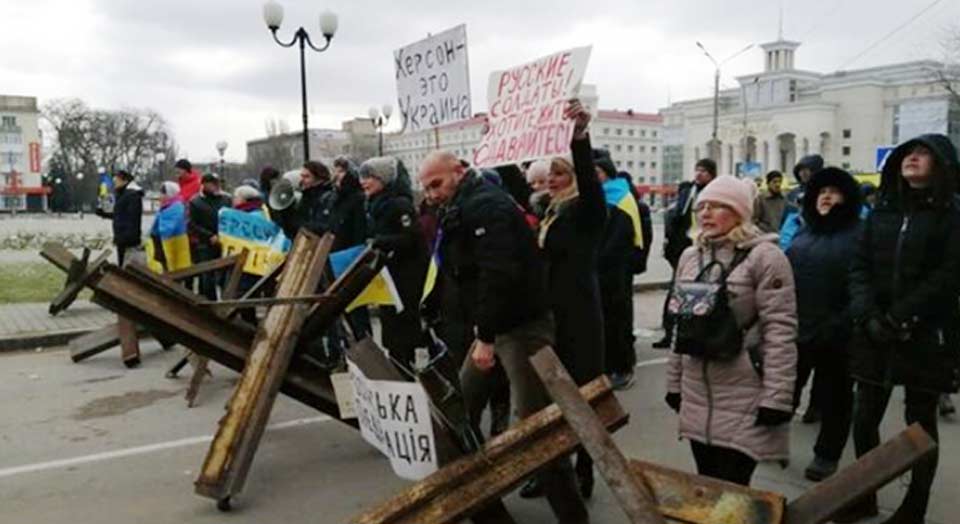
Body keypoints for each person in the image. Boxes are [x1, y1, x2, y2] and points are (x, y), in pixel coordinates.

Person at [419, 148, 591, 524]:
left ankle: (572, 515)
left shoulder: (486, 206)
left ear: (459, 172)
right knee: (459, 410)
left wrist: (484, 336)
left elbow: (499, 274)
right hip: (498, 325)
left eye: (436, 184)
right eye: (426, 187)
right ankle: (478, 496)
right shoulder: (460, 206)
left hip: (521, 328)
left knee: (535, 429)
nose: (431, 194)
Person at [838, 134, 960, 523]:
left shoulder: (952, 215)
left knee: (920, 422)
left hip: (925, 334)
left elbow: (948, 276)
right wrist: (868, 315)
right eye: (908, 153)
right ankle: (865, 495)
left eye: (923, 153)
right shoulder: (882, 210)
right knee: (864, 416)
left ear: (941, 164)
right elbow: (859, 266)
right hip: (874, 332)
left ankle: (914, 507)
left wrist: (902, 316)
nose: (912, 158)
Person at [665, 174, 798, 486]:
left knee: (734, 490)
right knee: (708, 486)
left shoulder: (766, 257)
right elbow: (680, 326)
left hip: (746, 389)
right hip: (697, 391)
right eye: (703, 207)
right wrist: (674, 384)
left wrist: (777, 399)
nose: (706, 213)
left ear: (740, 212)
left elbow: (780, 330)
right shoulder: (689, 256)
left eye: (718, 206)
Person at [785, 167, 862, 482]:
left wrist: (842, 322)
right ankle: (770, 443)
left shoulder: (860, 234)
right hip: (798, 329)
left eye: (834, 191)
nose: (826, 196)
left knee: (836, 398)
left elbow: (865, 287)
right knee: (785, 390)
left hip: (839, 334)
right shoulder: (804, 232)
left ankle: (826, 456)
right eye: (821, 191)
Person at [358, 156, 429, 368]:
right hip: (388, 274)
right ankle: (397, 363)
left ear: (383, 179)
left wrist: (379, 241)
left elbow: (410, 238)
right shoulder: (374, 204)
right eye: (362, 177)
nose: (364, 182)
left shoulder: (400, 204)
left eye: (369, 177)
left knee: (403, 323)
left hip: (405, 274)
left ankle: (405, 365)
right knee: (390, 321)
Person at [653, 158, 717, 349]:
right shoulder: (687, 192)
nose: (699, 174)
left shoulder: (715, 193)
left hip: (707, 248)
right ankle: (671, 332)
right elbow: (676, 218)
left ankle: (697, 333)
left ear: (712, 174)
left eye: (703, 171)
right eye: (697, 170)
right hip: (684, 249)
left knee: (704, 292)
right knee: (677, 290)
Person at [594, 155, 637, 391]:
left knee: (616, 321)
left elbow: (619, 239)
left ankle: (622, 368)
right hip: (602, 271)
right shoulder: (604, 197)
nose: (594, 177)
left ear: (607, 173)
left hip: (614, 271)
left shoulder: (619, 198)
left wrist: (596, 259)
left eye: (597, 172)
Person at [188, 173, 232, 301]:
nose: (216, 186)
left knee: (225, 275)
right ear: (204, 184)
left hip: (224, 241)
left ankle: (225, 301)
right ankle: (209, 301)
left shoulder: (226, 199)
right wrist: (209, 236)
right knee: (207, 276)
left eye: (217, 183)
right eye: (212, 183)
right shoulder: (195, 202)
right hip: (205, 244)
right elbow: (192, 224)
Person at [230, 185, 269, 325]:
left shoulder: (251, 215)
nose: (233, 200)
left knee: (245, 294)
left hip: (251, 262)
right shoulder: (257, 211)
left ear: (244, 199)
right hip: (249, 261)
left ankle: (250, 326)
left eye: (236, 197)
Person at [95, 170, 143, 267]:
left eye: (117, 179)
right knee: (122, 265)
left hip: (128, 239)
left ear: (125, 181)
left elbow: (133, 217)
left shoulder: (132, 195)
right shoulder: (122, 194)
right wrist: (103, 213)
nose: (114, 182)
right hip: (121, 237)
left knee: (128, 267)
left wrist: (128, 237)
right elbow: (119, 215)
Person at [277, 160, 334, 240]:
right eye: (302, 176)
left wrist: (299, 224)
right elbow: (292, 231)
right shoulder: (306, 196)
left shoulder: (328, 198)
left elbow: (322, 227)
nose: (302, 180)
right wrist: (286, 212)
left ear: (320, 178)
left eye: (307, 177)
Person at [780, 154, 824, 251]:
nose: (802, 173)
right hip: (794, 241)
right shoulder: (793, 194)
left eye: (806, 170)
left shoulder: (824, 192)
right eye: (800, 170)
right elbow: (786, 219)